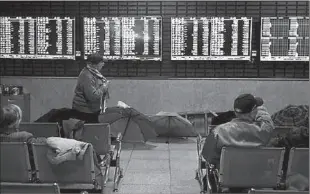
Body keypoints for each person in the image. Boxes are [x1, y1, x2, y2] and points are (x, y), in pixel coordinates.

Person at [202, 94, 274, 192]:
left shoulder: (218, 131)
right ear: (254, 112)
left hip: (227, 180)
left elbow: (208, 156)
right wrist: (260, 110)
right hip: (255, 179)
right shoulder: (263, 132)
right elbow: (268, 124)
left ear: (235, 112)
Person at [72, 53, 110, 123]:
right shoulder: (87, 76)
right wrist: (104, 87)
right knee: (89, 132)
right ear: (94, 65)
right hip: (84, 113)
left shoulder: (93, 73)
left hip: (90, 110)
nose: (103, 64)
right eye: (101, 62)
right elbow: (92, 96)